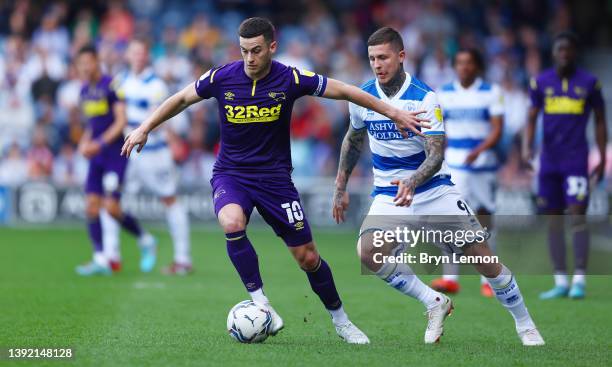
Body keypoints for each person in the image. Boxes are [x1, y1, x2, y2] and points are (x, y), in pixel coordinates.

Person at [122, 17, 429, 344]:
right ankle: (262, 304)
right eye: (243, 51)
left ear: (272, 47)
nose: (249, 59)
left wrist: (392, 112)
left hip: (275, 181)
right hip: (232, 174)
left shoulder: (291, 78)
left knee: (308, 258)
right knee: (231, 222)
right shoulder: (222, 77)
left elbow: (343, 90)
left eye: (256, 51)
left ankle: (341, 321)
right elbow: (181, 99)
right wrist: (144, 127)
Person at [332, 27, 544, 346]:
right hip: (390, 195)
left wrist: (413, 181)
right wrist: (340, 185)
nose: (377, 64)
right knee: (368, 251)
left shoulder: (424, 97)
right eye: (372, 58)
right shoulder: (363, 96)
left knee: (484, 259)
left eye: (383, 57)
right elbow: (354, 138)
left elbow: (436, 153)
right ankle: (434, 302)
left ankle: (525, 324)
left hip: (433, 190)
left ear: (401, 56)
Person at [523, 31, 608, 300]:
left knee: (578, 216)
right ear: (554, 53)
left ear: (575, 53)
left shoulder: (590, 83)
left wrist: (603, 155)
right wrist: (527, 148)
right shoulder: (541, 82)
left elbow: (600, 120)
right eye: (560, 50)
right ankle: (560, 280)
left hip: (576, 160)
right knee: (553, 220)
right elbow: (531, 117)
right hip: (549, 161)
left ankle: (579, 280)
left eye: (568, 50)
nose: (564, 54)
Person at [101, 39, 192, 275]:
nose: (138, 57)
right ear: (128, 55)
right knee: (111, 200)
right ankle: (111, 256)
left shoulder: (157, 85)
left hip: (153, 154)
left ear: (147, 56)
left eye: (142, 53)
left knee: (169, 199)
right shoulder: (119, 81)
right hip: (126, 153)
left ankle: (182, 258)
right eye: (134, 53)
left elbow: (158, 120)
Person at [75, 45, 156, 276]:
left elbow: (121, 121)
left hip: (115, 155)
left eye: (88, 62)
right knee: (91, 205)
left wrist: (98, 143)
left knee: (111, 208)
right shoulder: (84, 90)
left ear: (97, 61)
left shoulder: (112, 85)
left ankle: (145, 239)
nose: (85, 67)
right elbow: (92, 124)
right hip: (96, 156)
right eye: (81, 64)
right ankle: (100, 258)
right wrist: (84, 142)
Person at [432, 48, 504, 297]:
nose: (464, 67)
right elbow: (439, 130)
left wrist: (480, 149)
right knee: (452, 220)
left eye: (469, 62)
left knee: (484, 221)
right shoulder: (444, 94)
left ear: (477, 66)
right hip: (454, 167)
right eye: (460, 62)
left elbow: (497, 129)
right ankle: (450, 278)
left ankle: (489, 279)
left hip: (483, 165)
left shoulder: (491, 93)